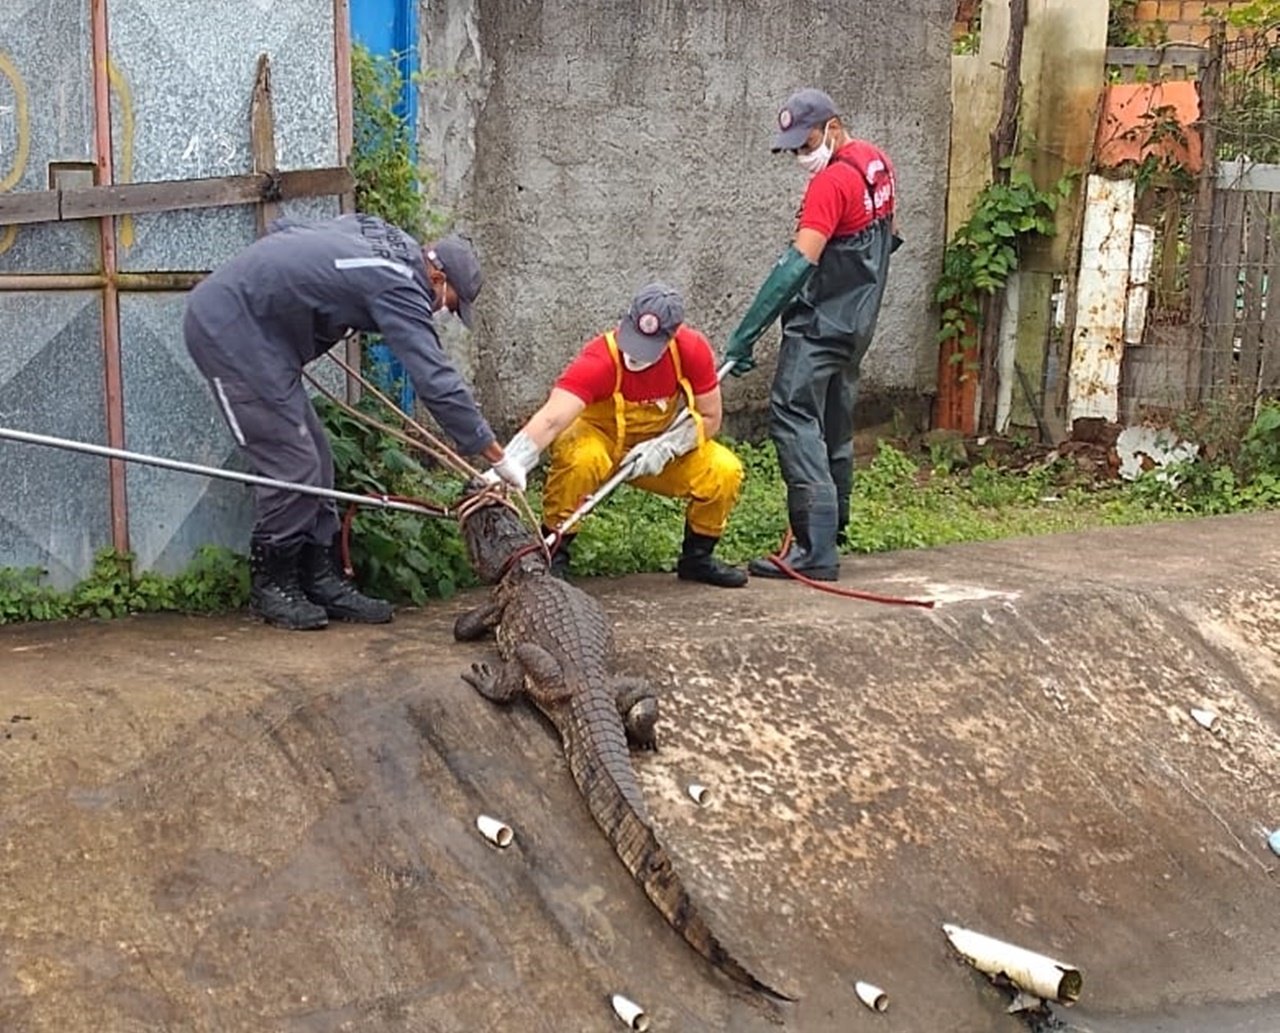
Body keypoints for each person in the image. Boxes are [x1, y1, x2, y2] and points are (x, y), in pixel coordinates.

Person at [183, 214, 525, 631]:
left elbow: (286, 229)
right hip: (231, 333)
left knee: (319, 460)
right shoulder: (400, 284)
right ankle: (273, 585)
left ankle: (320, 577)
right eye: (448, 303)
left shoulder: (386, 236)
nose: (440, 311)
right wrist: (493, 452)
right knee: (293, 464)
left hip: (265, 335)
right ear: (437, 276)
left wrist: (295, 307)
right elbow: (434, 379)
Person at [723, 88, 898, 582]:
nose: (802, 155)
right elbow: (887, 238)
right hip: (859, 320)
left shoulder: (830, 185)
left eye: (807, 144)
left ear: (833, 127)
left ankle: (814, 549)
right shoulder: (875, 163)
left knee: (794, 415)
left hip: (822, 325)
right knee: (834, 421)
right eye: (793, 149)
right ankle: (835, 524)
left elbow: (797, 264)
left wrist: (746, 333)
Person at [488, 282, 747, 588]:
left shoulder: (691, 350)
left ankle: (697, 559)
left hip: (653, 452)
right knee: (582, 459)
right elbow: (551, 418)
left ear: (671, 336)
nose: (635, 355)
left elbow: (710, 417)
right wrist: (508, 463)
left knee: (723, 470)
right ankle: (554, 555)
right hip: (598, 439)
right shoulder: (600, 359)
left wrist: (666, 447)